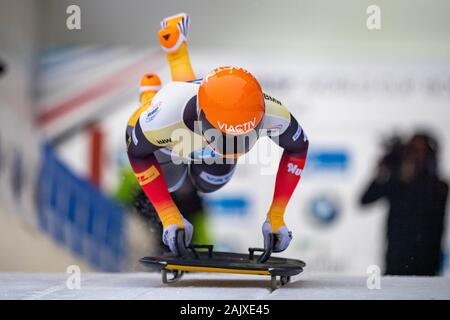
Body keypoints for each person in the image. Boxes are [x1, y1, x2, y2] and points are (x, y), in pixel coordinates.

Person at [126, 13, 309, 255]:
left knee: (209, 184)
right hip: (169, 131)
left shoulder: (271, 112)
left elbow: (299, 147)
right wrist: (169, 216)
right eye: (223, 137)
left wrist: (277, 215)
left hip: (187, 124)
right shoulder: (165, 118)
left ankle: (176, 49)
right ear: (202, 117)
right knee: (172, 182)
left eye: (240, 138)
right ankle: (149, 96)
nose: (231, 144)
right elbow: (138, 154)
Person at [360, 132, 448, 275]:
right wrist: (381, 174)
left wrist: (407, 177)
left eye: (419, 152)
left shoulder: (439, 186)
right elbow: (364, 201)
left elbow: (427, 211)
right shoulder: (396, 184)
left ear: (430, 156)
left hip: (427, 266)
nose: (413, 157)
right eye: (410, 151)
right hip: (395, 264)